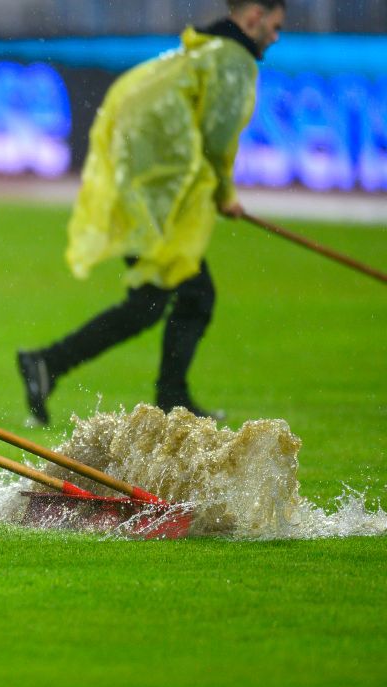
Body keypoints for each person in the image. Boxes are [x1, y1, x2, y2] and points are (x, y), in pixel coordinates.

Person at [17, 0, 285, 425]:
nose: (274, 36)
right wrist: (226, 194)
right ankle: (166, 398)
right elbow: (218, 137)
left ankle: (51, 364)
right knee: (188, 297)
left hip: (142, 191)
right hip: (158, 201)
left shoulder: (197, 49)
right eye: (274, 25)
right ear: (254, 16)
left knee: (158, 301)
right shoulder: (233, 59)